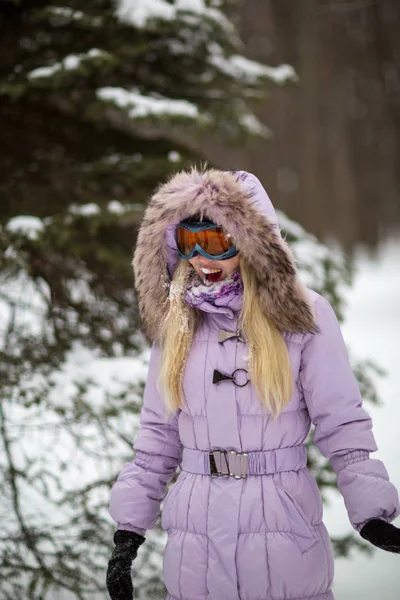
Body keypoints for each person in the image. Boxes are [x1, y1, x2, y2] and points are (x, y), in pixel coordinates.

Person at [106, 168, 400, 600]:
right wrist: (127, 533)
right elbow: (157, 436)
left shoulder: (303, 316)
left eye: (215, 242)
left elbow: (342, 422)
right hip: (196, 542)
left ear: (250, 242)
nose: (201, 259)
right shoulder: (179, 324)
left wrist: (370, 509)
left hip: (281, 532)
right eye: (189, 242)